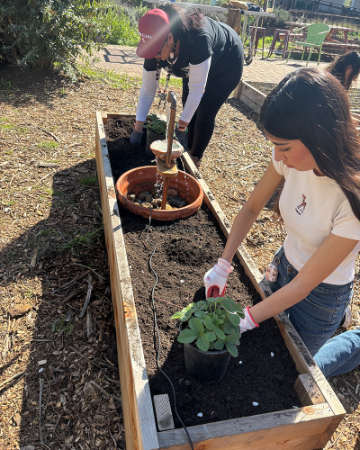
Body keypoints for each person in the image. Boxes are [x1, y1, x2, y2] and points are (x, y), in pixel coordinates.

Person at [204, 67, 360, 378]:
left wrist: (245, 319)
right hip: (283, 269)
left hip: (320, 297)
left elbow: (305, 285)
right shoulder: (291, 157)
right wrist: (224, 262)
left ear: (318, 136)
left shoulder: (352, 198)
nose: (277, 155)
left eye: (284, 147)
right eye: (274, 145)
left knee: (299, 374)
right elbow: (250, 207)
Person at [129, 4, 244, 168]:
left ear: (170, 38)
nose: (154, 55)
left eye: (156, 51)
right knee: (187, 102)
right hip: (198, 62)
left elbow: (197, 88)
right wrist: (137, 130)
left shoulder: (197, 40)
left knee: (205, 111)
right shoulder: (153, 44)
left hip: (227, 61)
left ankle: (194, 158)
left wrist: (180, 130)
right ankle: (185, 150)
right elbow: (148, 89)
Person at [326, 51, 360, 124]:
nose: (357, 75)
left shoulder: (341, 79)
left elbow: (345, 114)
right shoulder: (335, 83)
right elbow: (340, 116)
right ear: (349, 67)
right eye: (357, 72)